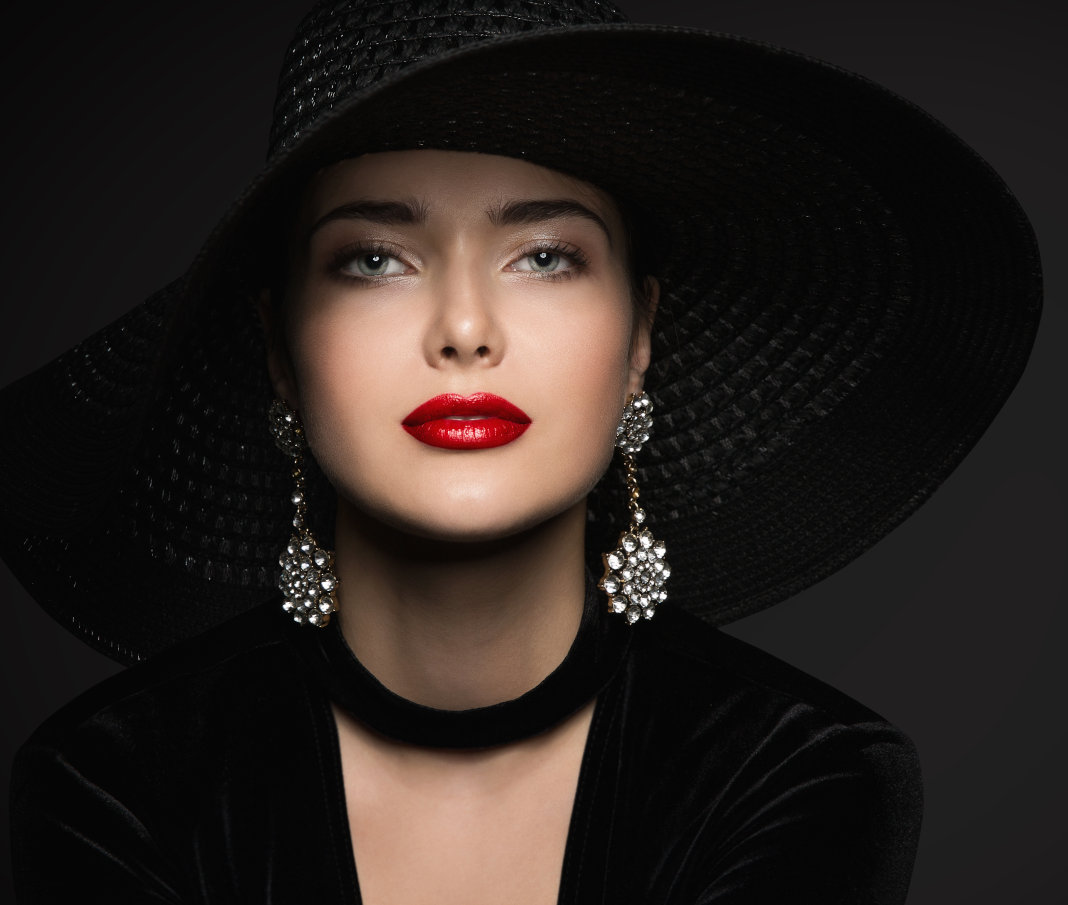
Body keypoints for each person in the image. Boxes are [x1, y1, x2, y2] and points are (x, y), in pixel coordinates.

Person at [0, 0, 1042, 902]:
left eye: (544, 254)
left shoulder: (801, 775)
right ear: (279, 346)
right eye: (375, 258)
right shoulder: (114, 783)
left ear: (639, 336)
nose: (464, 327)